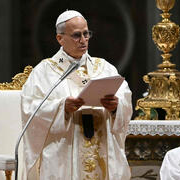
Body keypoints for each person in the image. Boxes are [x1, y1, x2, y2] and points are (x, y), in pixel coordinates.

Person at [20, 10, 132, 180]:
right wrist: (62, 108)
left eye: (86, 34)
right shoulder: (44, 72)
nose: (83, 40)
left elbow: (124, 97)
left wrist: (116, 106)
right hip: (63, 156)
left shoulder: (105, 68)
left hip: (101, 148)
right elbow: (30, 110)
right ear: (60, 38)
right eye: (76, 35)